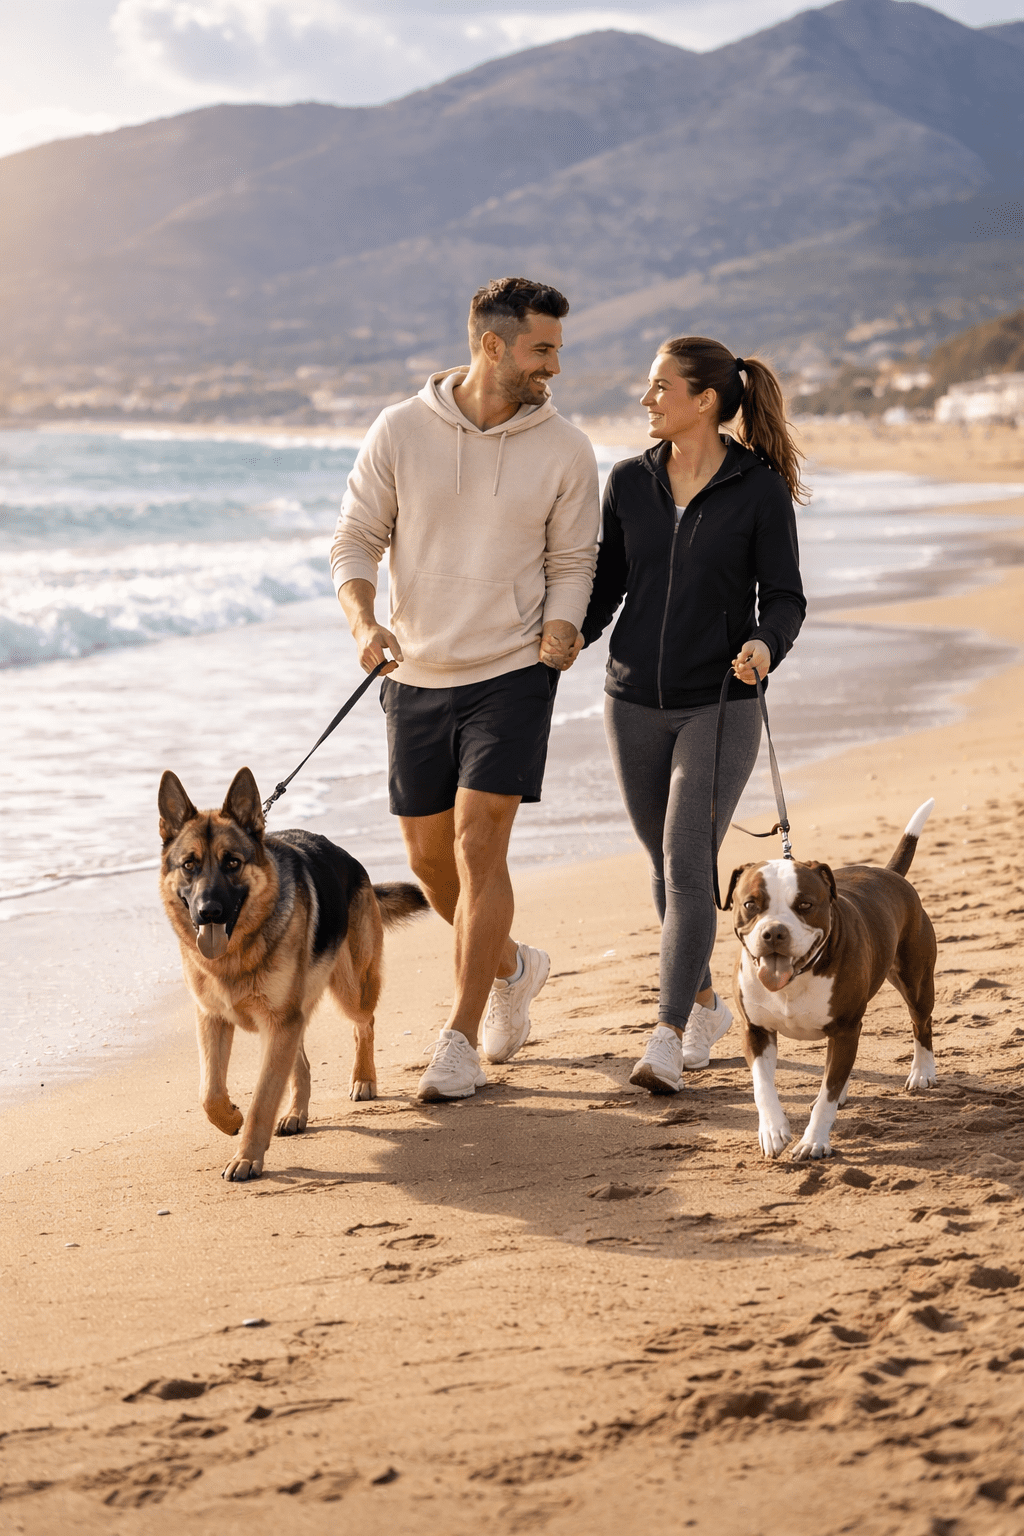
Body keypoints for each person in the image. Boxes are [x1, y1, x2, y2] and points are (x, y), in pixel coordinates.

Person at [330, 277, 600, 1102]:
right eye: (542, 350)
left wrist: (563, 625)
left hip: (512, 673)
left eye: (556, 349)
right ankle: (514, 966)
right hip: (414, 673)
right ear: (493, 346)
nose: (554, 365)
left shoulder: (566, 448)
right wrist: (363, 624)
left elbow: (573, 561)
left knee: (481, 844)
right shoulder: (400, 429)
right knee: (429, 862)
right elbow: (354, 540)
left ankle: (459, 1037)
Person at [564, 336, 806, 1093]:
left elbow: (785, 597)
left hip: (720, 701)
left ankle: (666, 1034)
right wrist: (564, 638)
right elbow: (607, 587)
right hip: (631, 700)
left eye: (660, 386)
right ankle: (706, 1007)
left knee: (685, 860)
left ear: (704, 400)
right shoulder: (629, 481)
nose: (647, 399)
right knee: (669, 870)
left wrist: (765, 644)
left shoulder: (757, 488)